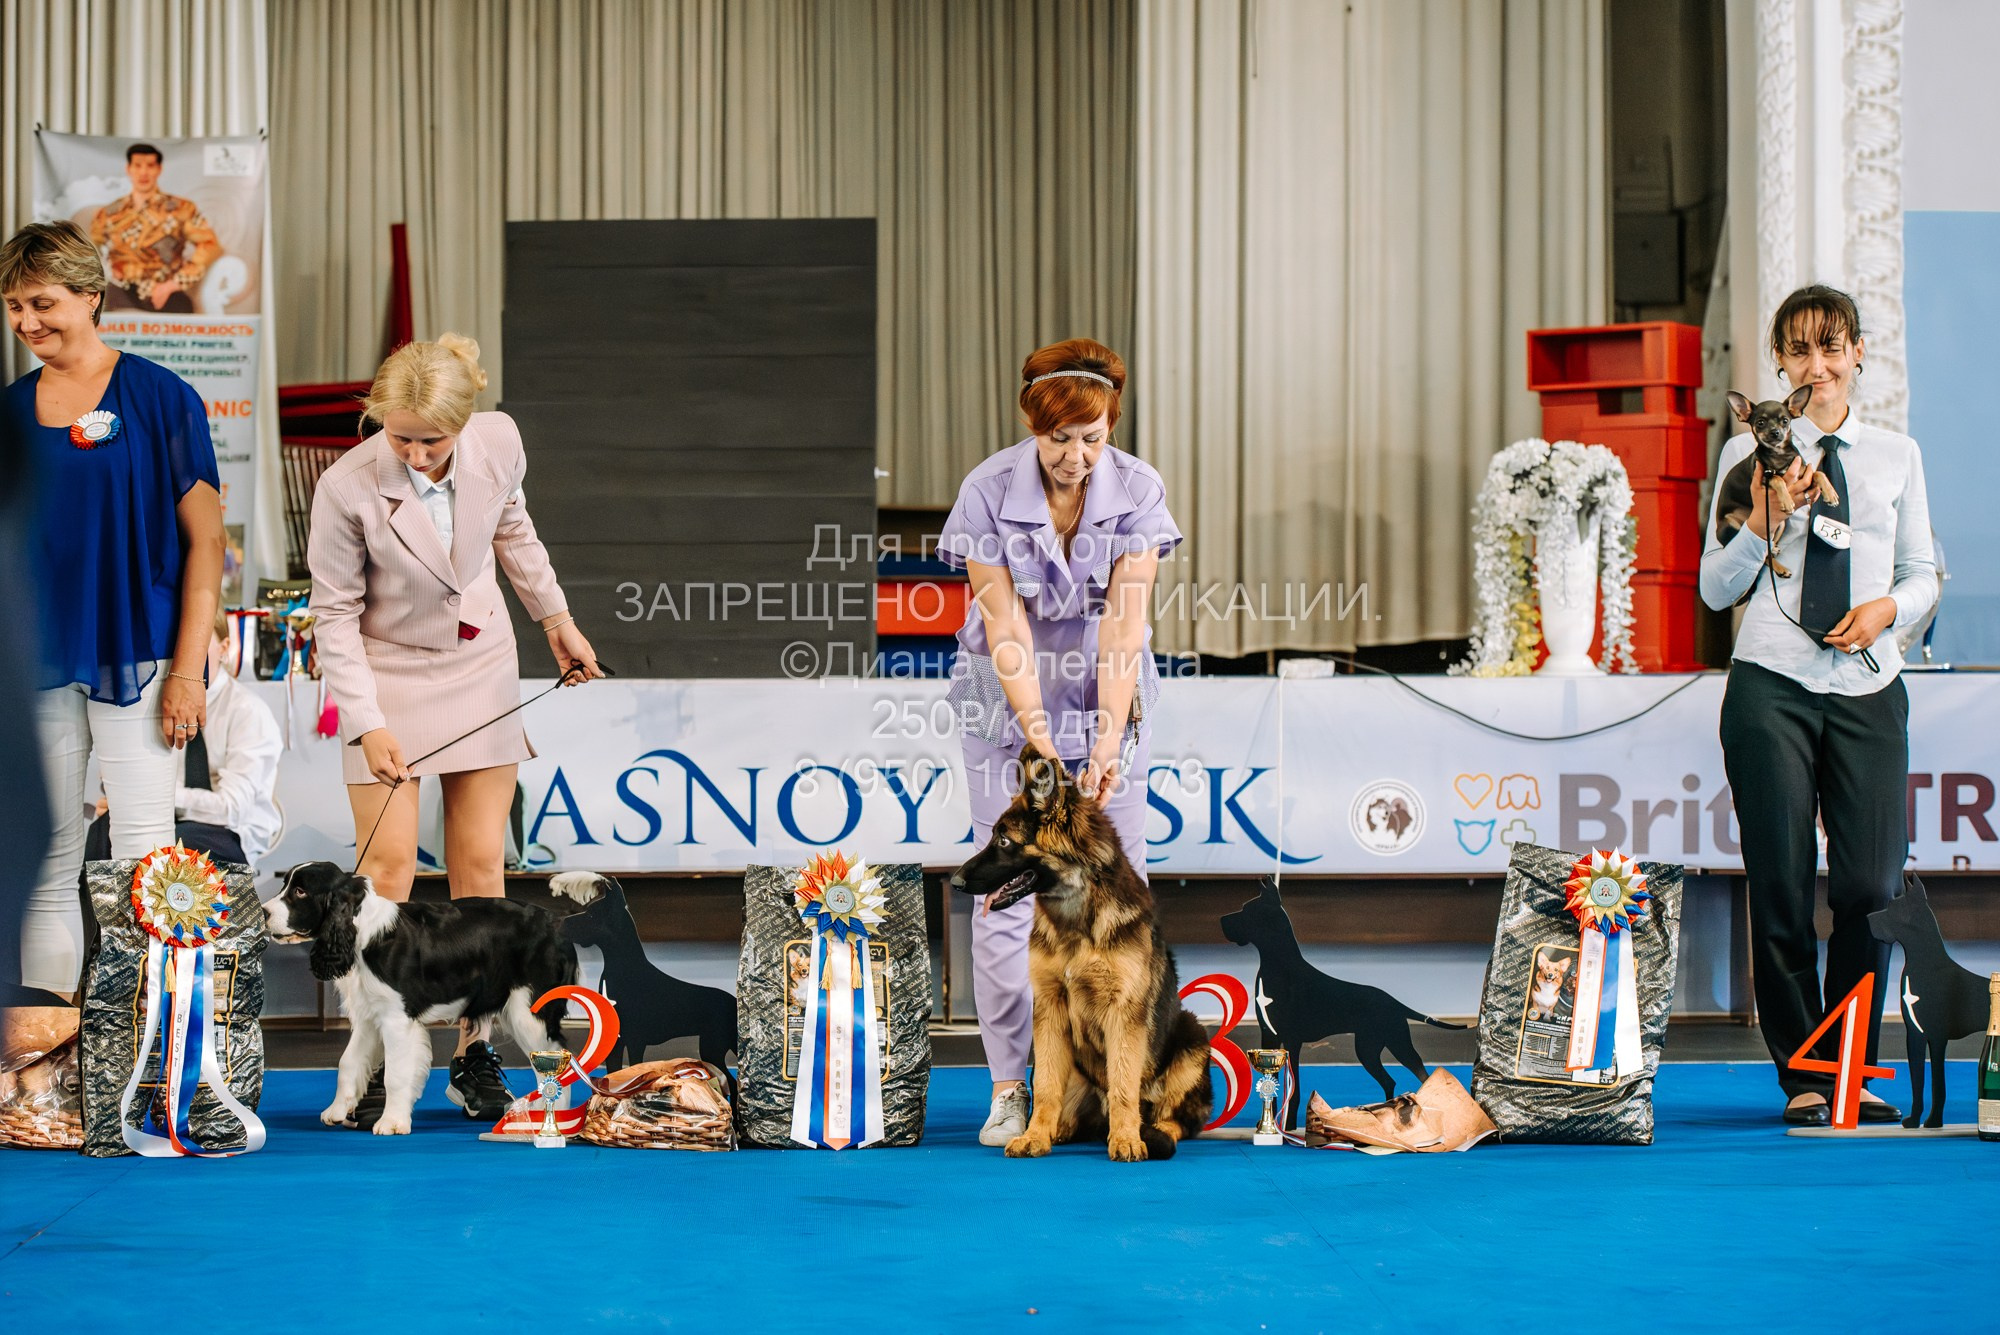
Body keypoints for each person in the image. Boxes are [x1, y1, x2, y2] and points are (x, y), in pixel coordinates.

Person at [308, 333, 601, 1124]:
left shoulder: (499, 442)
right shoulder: (347, 485)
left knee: (482, 868)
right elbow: (332, 613)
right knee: (388, 873)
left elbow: (514, 533)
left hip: (478, 662)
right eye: (397, 434)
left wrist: (557, 620)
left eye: (430, 439)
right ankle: (371, 1057)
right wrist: (366, 722)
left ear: (466, 424)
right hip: (383, 668)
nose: (413, 451)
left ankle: (475, 1058)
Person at [1700, 284, 1936, 1127]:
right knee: (1783, 881)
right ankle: (1806, 1075)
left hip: (1869, 683)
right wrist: (1763, 520)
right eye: (1799, 351)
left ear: (1859, 353)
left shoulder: (1897, 455)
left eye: (1832, 347)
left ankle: (1852, 1066)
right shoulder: (1745, 456)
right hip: (1770, 683)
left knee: (1873, 885)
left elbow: (1920, 573)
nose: (1818, 365)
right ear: (1781, 366)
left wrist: (1890, 611)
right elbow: (1713, 584)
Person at [937, 338, 1181, 1146]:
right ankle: (1014, 1085)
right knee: (1010, 892)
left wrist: (1107, 738)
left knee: (1121, 885)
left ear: (1113, 422)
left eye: (1094, 437)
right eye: (1059, 440)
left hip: (1104, 693)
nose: (1076, 458)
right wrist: (1039, 743)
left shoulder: (1141, 490)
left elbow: (1125, 622)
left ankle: (1125, 1087)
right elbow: (1003, 622)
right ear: (1031, 425)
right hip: (1004, 701)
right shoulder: (985, 493)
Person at [1, 220, 224, 1000]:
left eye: (43, 302)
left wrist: (189, 673)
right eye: (13, 306)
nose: (28, 322)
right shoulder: (8, 413)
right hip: (34, 664)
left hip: (143, 655)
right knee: (45, 858)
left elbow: (207, 545)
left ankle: (148, 1051)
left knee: (141, 848)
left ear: (92, 297)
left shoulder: (163, 397)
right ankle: (47, 1062)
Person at [85, 617, 282, 868]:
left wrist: (157, 795)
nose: (187, 655)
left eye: (199, 644)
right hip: (168, 815)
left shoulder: (247, 711)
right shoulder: (159, 702)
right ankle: (96, 906)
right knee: (103, 832)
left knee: (168, 847)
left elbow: (231, 809)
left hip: (231, 831)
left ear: (224, 648)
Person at [89, 143, 223, 314]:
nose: (143, 172)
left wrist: (174, 283)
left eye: (150, 166)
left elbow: (210, 245)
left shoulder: (181, 208)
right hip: (120, 294)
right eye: (137, 165)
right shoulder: (107, 213)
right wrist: (108, 269)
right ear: (128, 168)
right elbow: (91, 250)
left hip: (164, 294)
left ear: (159, 169)